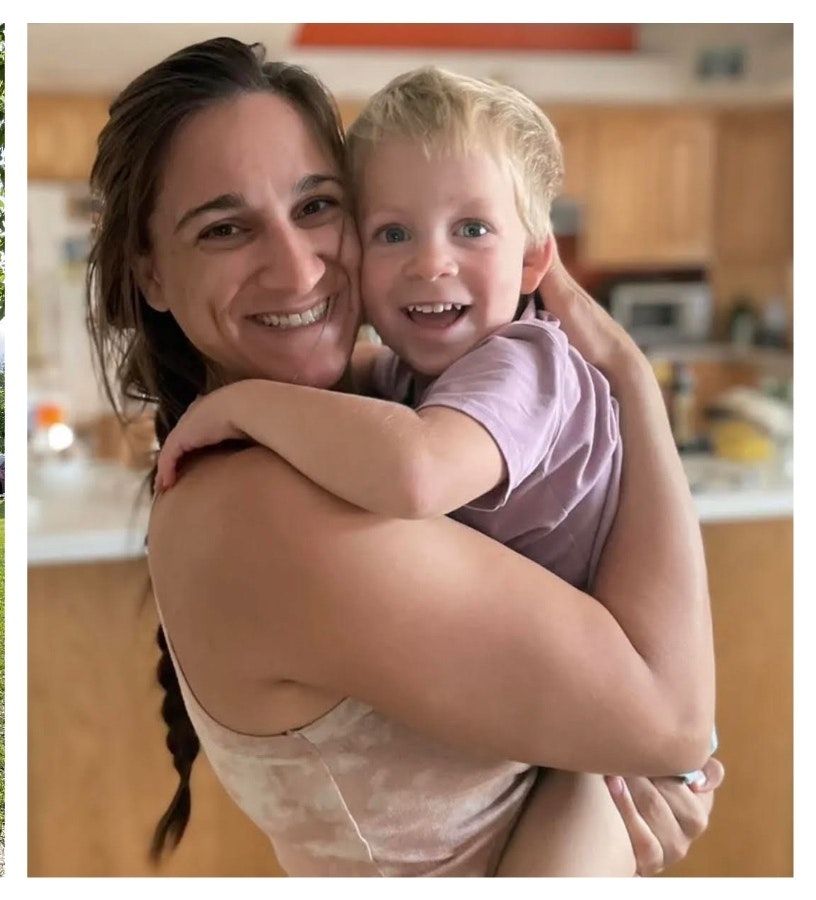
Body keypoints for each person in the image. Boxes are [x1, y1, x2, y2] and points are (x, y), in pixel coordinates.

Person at [85, 37, 719, 876]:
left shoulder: (343, 417)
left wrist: (630, 379)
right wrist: (634, 385)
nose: (297, 264)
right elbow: (674, 725)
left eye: (316, 207)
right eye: (226, 227)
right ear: (151, 274)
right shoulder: (262, 510)